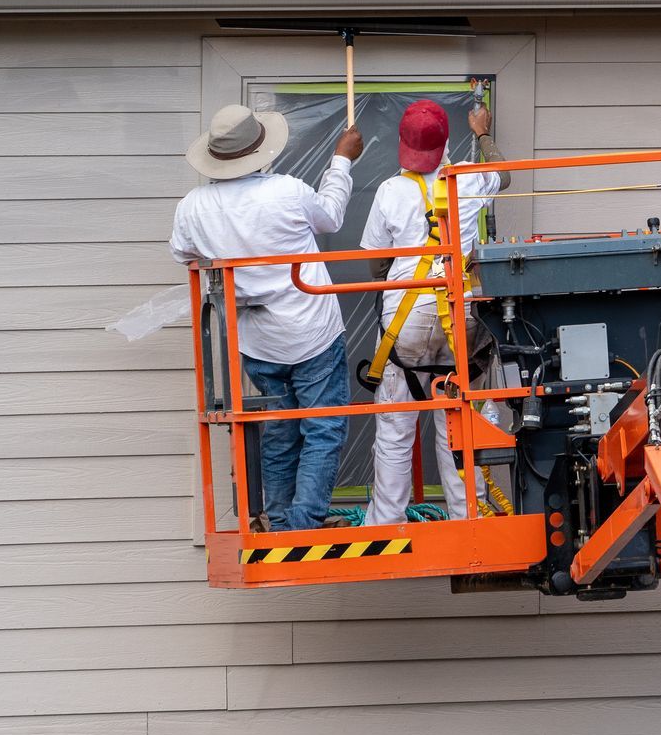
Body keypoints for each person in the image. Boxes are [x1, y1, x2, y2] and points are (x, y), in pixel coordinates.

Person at [171, 103, 363, 533]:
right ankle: (304, 524)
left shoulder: (192, 206)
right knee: (323, 429)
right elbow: (331, 216)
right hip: (311, 328)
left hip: (254, 336)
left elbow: (183, 253)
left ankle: (280, 523)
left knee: (277, 431)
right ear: (261, 149)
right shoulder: (286, 191)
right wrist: (342, 161)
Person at [360, 98, 508, 524]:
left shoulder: (391, 190)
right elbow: (506, 174)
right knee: (459, 423)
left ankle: (386, 522)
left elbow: (375, 264)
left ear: (403, 145)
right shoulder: (467, 178)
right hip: (461, 320)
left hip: (403, 323)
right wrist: (482, 131)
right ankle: (469, 518)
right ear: (445, 141)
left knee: (395, 426)